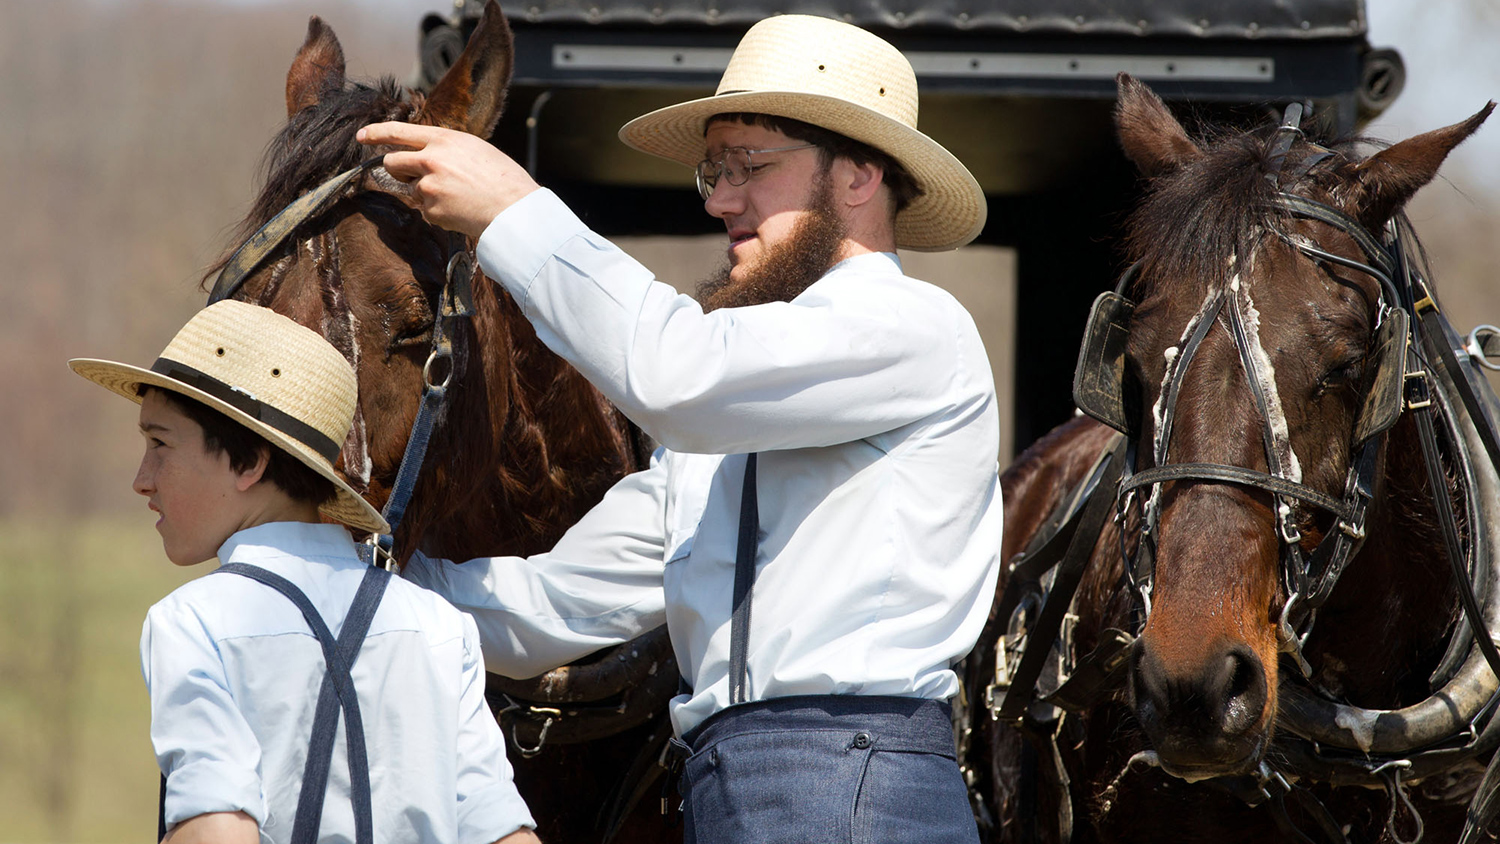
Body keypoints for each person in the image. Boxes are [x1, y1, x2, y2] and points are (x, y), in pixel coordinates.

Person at [360, 13, 1001, 843]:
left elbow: (676, 373)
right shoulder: (726, 424)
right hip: (734, 786)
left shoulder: (915, 328)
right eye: (714, 171)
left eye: (749, 167)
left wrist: (514, 211)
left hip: (854, 784)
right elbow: (547, 608)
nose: (722, 200)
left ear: (859, 176)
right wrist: (349, 581)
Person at [69, 300, 539, 844]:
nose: (141, 480)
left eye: (159, 443)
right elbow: (504, 834)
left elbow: (221, 830)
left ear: (249, 463)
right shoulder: (440, 626)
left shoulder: (194, 621)